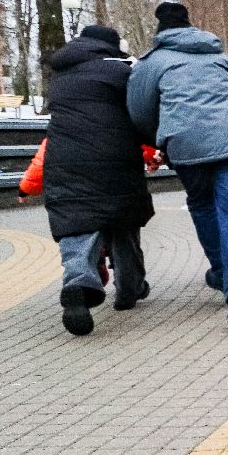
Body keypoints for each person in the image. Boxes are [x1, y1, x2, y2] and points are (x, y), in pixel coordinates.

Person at [127, 1, 228, 328]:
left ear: (159, 29)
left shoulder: (153, 62)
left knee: (202, 206)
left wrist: (163, 136)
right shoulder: (219, 56)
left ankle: (221, 272)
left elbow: (139, 112)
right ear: (191, 25)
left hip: (187, 144)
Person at [30, 25, 155, 336]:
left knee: (77, 223)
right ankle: (130, 289)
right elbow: (139, 114)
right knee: (124, 224)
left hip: (64, 158)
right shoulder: (121, 72)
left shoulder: (60, 77)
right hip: (115, 158)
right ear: (111, 46)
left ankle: (77, 283)